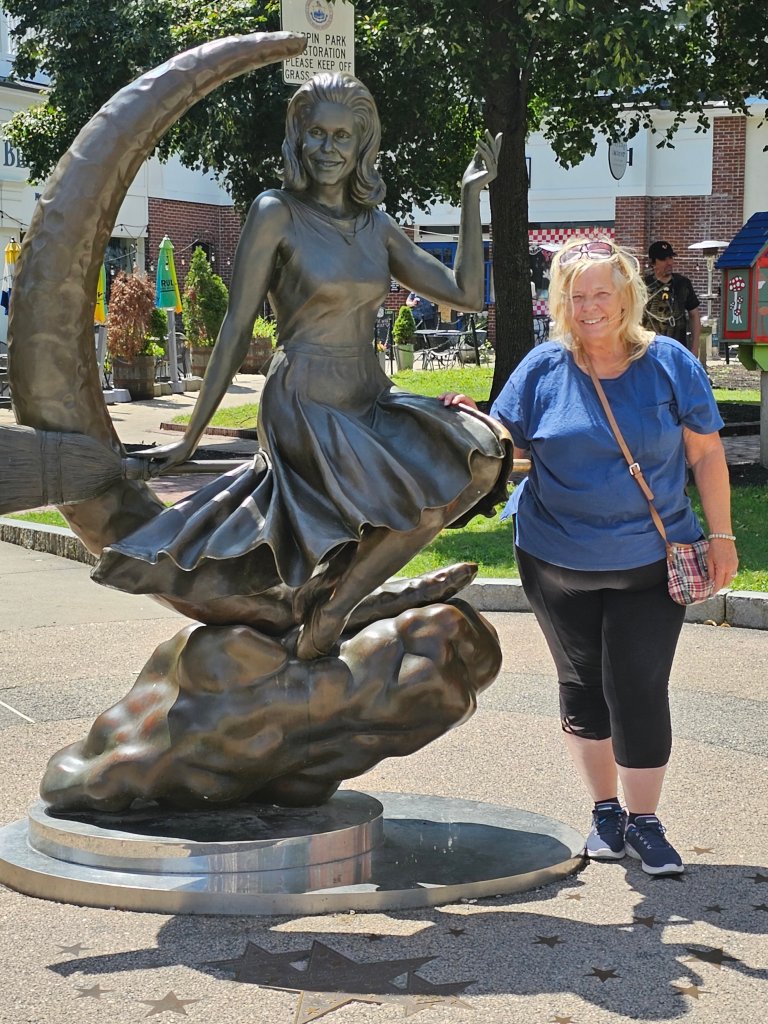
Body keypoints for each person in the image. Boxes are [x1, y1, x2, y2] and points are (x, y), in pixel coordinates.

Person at [93, 73, 512, 660]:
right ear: (298, 138)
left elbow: (466, 292)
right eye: (316, 133)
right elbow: (236, 328)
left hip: (370, 395)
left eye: (343, 136)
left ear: (363, 144)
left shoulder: (376, 225)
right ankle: (329, 613)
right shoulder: (276, 212)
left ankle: (335, 608)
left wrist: (470, 197)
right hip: (304, 400)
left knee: (479, 459)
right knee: (400, 497)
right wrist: (191, 438)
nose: (328, 149)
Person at [441, 237, 738, 875]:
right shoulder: (543, 367)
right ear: (561, 303)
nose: (590, 307)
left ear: (627, 295)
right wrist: (468, 421)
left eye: (602, 293)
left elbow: (707, 452)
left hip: (650, 560)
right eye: (576, 296)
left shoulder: (669, 364)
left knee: (637, 686)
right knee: (581, 686)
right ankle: (606, 811)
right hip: (554, 560)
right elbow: (508, 445)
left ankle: (645, 820)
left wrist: (722, 537)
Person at [643, 240, 701, 354]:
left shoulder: (683, 284)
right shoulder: (642, 285)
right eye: (663, 259)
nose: (669, 262)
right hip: (648, 350)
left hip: (677, 350)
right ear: (653, 262)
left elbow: (694, 315)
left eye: (670, 258)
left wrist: (694, 348)